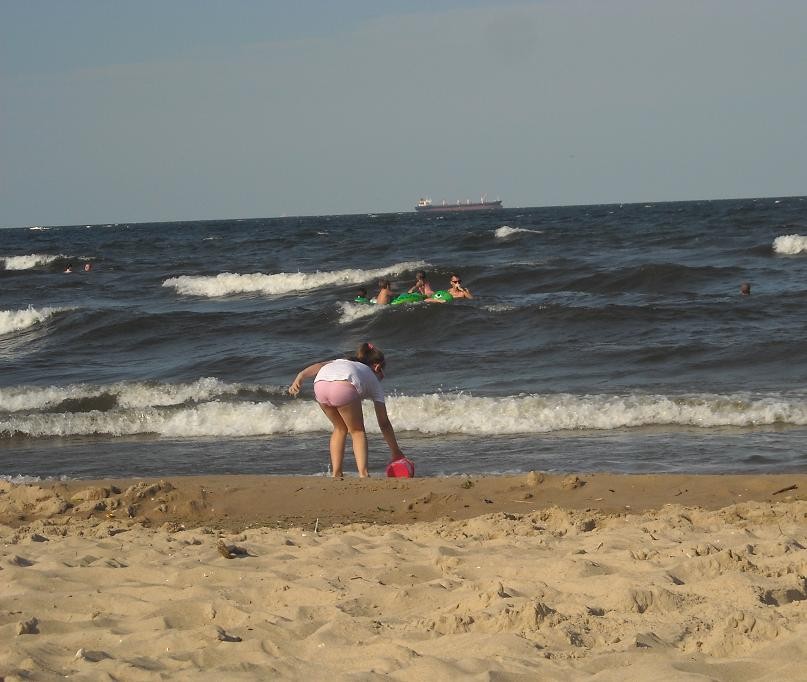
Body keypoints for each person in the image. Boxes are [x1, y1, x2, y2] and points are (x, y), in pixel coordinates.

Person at [288, 342, 406, 478]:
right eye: (382, 374)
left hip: (320, 385)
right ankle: (363, 474)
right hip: (343, 386)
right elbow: (384, 423)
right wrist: (395, 451)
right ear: (377, 367)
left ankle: (336, 473)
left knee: (339, 428)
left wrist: (300, 376)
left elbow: (319, 366)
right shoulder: (372, 378)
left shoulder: (342, 361)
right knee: (357, 431)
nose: (381, 378)